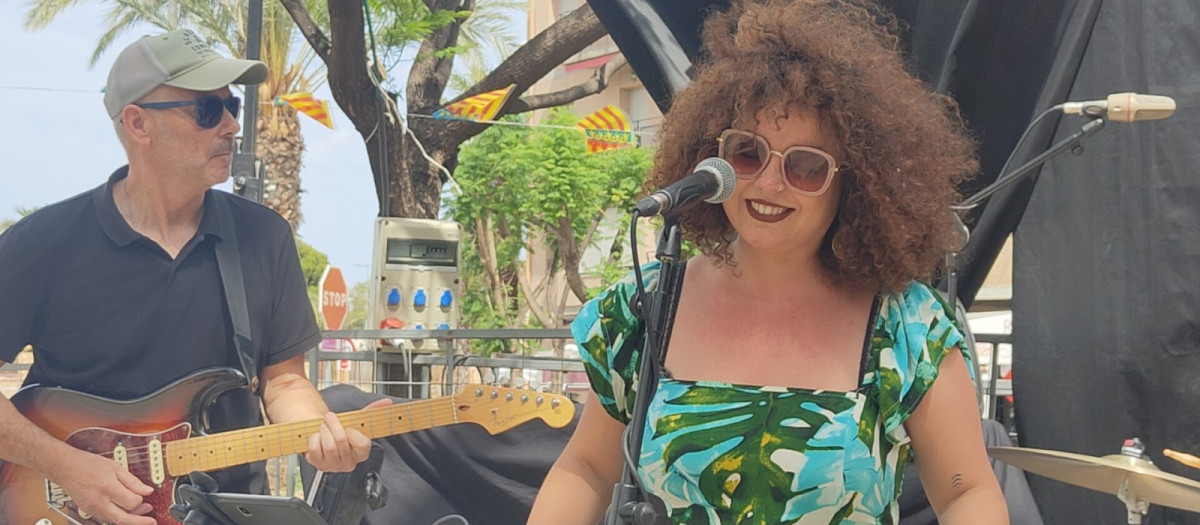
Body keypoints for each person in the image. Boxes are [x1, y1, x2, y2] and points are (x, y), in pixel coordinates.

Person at [528, 1, 1008, 523]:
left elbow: (967, 493)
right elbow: (586, 469)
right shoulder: (646, 307)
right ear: (712, 156)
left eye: (805, 166)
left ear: (855, 184)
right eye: (748, 153)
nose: (769, 183)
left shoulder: (907, 326)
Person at [0, 29, 386, 525]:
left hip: (225, 511)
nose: (230, 125)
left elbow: (284, 382)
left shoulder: (263, 237)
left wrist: (322, 439)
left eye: (233, 107)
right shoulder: (43, 243)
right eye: (207, 111)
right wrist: (68, 468)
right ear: (138, 124)